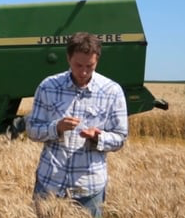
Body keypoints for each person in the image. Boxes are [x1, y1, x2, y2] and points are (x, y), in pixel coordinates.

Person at [27, 32, 128, 218]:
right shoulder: (48, 87)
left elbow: (121, 138)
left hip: (88, 189)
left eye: (89, 66)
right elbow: (32, 130)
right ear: (68, 58)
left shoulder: (112, 91)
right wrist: (56, 128)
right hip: (49, 183)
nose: (83, 72)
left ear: (97, 60)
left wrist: (99, 137)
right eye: (78, 65)